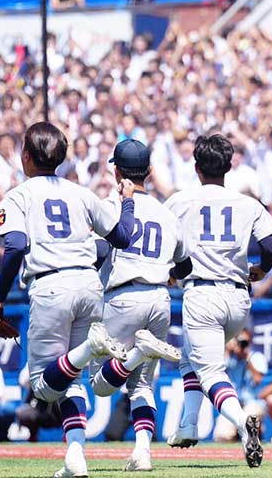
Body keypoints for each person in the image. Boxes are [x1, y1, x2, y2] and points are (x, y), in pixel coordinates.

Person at [0, 121, 137, 478]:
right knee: (73, 382)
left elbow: (15, 245)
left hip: (50, 285)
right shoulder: (81, 193)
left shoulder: (19, 195)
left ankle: (85, 351)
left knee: (43, 387)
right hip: (88, 283)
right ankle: (75, 458)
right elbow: (123, 237)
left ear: (26, 156)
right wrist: (127, 203)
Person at [164, 133, 272, 468]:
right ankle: (188, 424)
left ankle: (242, 423)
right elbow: (270, 250)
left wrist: (171, 271)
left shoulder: (179, 201)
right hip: (238, 297)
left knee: (211, 371)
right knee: (191, 357)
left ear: (196, 167)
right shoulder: (248, 203)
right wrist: (258, 270)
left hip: (203, 293)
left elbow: (167, 247)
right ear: (228, 167)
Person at [89, 139, 188, 472]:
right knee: (143, 385)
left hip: (122, 295)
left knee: (100, 385)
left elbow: (96, 251)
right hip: (160, 297)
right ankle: (143, 451)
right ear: (150, 171)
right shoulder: (166, 212)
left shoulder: (111, 203)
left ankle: (138, 353)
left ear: (116, 170)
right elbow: (186, 265)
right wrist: (171, 274)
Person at [216, 329, 267, 442]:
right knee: (222, 435)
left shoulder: (256, 357)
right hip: (233, 402)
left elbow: (258, 379)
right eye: (240, 341)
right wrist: (227, 351)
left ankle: (257, 435)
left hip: (252, 402)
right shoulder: (230, 358)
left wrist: (246, 359)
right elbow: (218, 372)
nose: (242, 344)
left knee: (248, 423)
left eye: (245, 342)